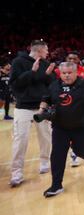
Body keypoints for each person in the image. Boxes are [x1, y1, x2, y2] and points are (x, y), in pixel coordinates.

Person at [38, 62, 84, 197]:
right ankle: (56, 185)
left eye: (69, 73)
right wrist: (41, 111)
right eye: (64, 73)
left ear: (76, 72)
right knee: (57, 155)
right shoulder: (54, 85)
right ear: (60, 73)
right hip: (60, 127)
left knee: (80, 150)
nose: (66, 75)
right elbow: (46, 98)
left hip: (82, 126)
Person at [8, 40, 55, 187]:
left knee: (45, 137)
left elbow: (51, 85)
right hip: (23, 107)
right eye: (46, 50)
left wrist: (48, 76)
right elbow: (14, 85)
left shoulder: (46, 64)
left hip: (41, 107)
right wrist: (31, 72)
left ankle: (44, 163)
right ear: (39, 50)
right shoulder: (18, 62)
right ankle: (17, 173)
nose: (48, 52)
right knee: (20, 140)